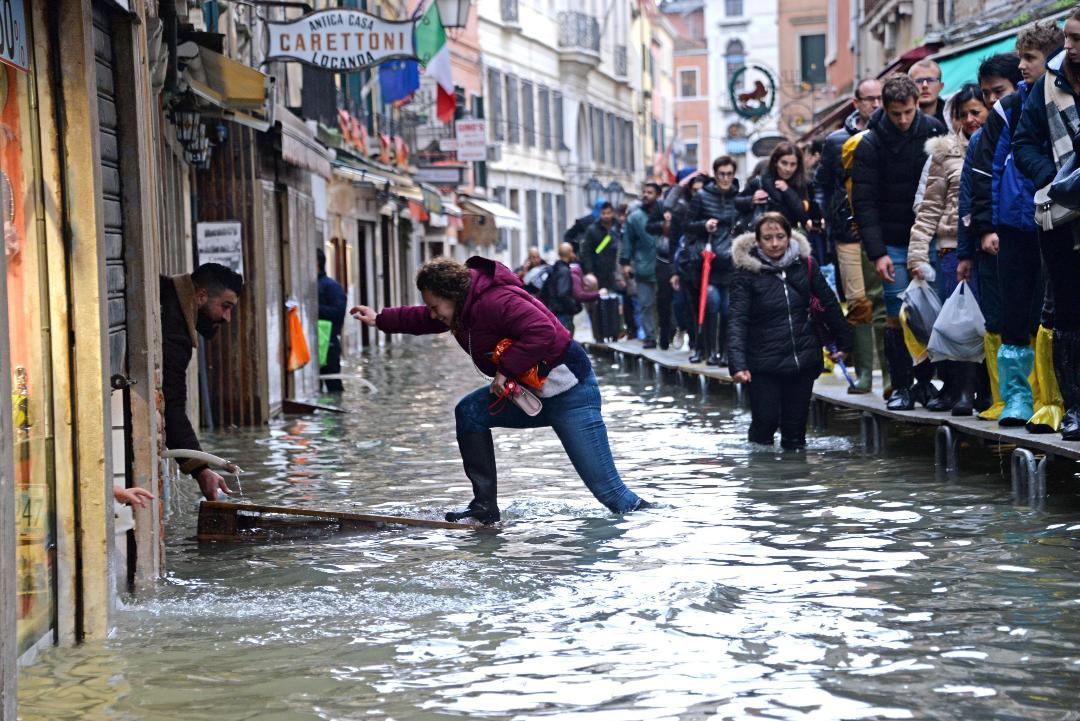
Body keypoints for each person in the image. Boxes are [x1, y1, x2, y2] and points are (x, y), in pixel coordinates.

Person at [350, 257, 650, 523]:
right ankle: (484, 508)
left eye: (435, 305)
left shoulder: (496, 300)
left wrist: (506, 369)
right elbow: (423, 318)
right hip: (531, 395)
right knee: (469, 413)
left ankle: (661, 525)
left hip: (572, 393)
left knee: (612, 495)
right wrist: (380, 319)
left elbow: (543, 331)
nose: (433, 313)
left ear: (452, 295)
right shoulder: (463, 309)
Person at [850, 73, 946, 411]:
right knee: (896, 314)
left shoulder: (934, 130)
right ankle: (902, 385)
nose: (903, 120)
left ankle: (928, 384)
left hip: (929, 234)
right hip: (890, 241)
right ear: (886, 110)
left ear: (917, 104)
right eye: (896, 114)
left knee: (931, 313)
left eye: (908, 112)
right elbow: (864, 203)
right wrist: (877, 254)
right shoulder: (870, 143)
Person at [972, 41, 1056, 427]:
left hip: (1057, 216)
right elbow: (987, 170)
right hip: (1013, 222)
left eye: (1029, 59)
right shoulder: (1007, 109)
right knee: (1014, 312)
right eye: (1020, 58)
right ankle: (1018, 397)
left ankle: (1053, 397)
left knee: (1054, 311)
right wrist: (988, 225)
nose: (1022, 66)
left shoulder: (1061, 100)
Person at [728, 213, 852, 450]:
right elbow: (737, 319)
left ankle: (796, 481)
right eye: (767, 238)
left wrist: (845, 342)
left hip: (802, 360)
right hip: (763, 363)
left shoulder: (805, 264)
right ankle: (761, 481)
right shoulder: (746, 274)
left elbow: (828, 303)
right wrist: (737, 363)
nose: (775, 244)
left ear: (788, 236)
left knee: (795, 431)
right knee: (764, 424)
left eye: (780, 237)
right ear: (757, 241)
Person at [1012, 8, 1080, 442]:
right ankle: (1075, 408)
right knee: (1070, 315)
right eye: (1069, 38)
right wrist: (1052, 180)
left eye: (1077, 40)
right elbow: (1023, 144)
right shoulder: (1045, 88)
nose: (1070, 47)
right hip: (1063, 219)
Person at [907, 83, 988, 416]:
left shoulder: (1002, 143)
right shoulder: (944, 152)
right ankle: (963, 392)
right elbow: (928, 208)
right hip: (951, 248)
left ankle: (987, 391)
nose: (969, 119)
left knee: (989, 322)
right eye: (963, 113)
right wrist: (915, 255)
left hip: (991, 246)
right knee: (958, 322)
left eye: (976, 112)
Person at [963, 52, 1028, 420]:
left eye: (996, 91)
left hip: (1028, 227)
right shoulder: (984, 136)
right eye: (986, 93)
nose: (989, 100)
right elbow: (976, 190)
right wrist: (983, 231)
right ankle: (1005, 396)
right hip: (997, 234)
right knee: (999, 317)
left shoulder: (1025, 113)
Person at [815, 77, 887, 395]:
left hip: (883, 229)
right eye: (869, 99)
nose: (875, 104)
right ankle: (865, 375)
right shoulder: (834, 142)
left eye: (879, 99)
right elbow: (822, 184)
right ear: (856, 103)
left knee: (885, 301)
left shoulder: (889, 136)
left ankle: (890, 376)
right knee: (858, 301)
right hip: (847, 231)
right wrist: (825, 214)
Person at [160, 262, 244, 500]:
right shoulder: (174, 330)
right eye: (225, 307)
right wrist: (201, 470)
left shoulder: (166, 293)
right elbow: (171, 406)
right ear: (201, 296)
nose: (227, 318)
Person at [685, 155, 747, 365]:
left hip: (730, 262)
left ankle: (726, 353)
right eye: (721, 174)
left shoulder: (739, 197)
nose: (725, 178)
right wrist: (704, 224)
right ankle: (707, 350)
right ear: (715, 174)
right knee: (710, 304)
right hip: (707, 263)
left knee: (728, 308)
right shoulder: (701, 196)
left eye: (729, 174)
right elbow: (687, 224)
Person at [621, 183, 661, 348]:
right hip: (642, 265)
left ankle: (667, 334)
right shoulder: (634, 218)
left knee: (666, 304)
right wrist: (625, 263)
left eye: (650, 192)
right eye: (644, 192)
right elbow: (627, 242)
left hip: (664, 266)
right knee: (645, 303)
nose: (645, 195)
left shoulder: (665, 214)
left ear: (657, 195)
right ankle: (650, 336)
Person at [739, 142, 814, 229]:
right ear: (775, 162)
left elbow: (804, 213)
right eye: (784, 163)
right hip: (762, 233)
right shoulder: (761, 182)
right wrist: (752, 200)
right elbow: (738, 202)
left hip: (791, 233)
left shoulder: (804, 184)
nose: (788, 169)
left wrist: (787, 190)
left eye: (793, 164)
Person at [580, 202, 622, 341]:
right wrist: (590, 272)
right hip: (598, 273)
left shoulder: (618, 227)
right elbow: (586, 252)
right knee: (597, 306)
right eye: (603, 213)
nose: (606, 216)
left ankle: (615, 332)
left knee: (616, 304)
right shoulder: (593, 230)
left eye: (609, 213)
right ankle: (600, 335)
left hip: (614, 272)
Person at [542, 242, 600, 335]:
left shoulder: (554, 269)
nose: (574, 255)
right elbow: (563, 293)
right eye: (572, 252)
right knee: (565, 343)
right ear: (569, 253)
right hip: (563, 314)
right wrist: (573, 307)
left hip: (554, 313)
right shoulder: (564, 271)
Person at [317, 248, 347, 393]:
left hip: (329, 344)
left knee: (333, 386)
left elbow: (339, 312)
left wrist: (313, 309)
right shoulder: (311, 285)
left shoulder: (330, 286)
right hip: (313, 344)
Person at [909, 59, 946, 125]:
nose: (925, 85)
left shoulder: (954, 117)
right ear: (909, 86)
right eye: (919, 81)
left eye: (931, 80)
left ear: (941, 86)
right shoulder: (901, 120)